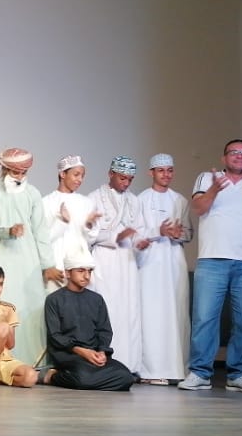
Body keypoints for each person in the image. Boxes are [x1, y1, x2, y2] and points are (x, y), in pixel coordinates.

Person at [180, 140, 242, 392]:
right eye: (234, 152)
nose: (239, 156)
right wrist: (215, 188)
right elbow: (198, 208)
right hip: (212, 259)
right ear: (224, 158)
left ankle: (238, 373)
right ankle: (200, 372)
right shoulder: (207, 178)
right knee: (205, 318)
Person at [0, 147, 63, 370]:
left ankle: (31, 363)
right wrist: (8, 231)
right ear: (5, 169)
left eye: (23, 172)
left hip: (28, 261)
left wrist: (48, 265)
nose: (19, 177)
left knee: (29, 309)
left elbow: (40, 231)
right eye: (15, 172)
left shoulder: (32, 193)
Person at [87, 156, 147, 376]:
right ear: (111, 173)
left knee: (129, 311)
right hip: (105, 260)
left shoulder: (135, 201)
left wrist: (140, 242)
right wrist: (115, 236)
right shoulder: (93, 198)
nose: (126, 183)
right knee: (108, 310)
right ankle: (103, 362)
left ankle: (129, 364)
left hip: (128, 262)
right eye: (122, 178)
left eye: (130, 179)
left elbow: (138, 230)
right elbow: (89, 234)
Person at [137, 153, 193, 384]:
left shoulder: (180, 200)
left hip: (174, 263)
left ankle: (177, 369)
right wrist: (157, 232)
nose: (166, 174)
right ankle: (149, 371)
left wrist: (177, 233)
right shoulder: (140, 199)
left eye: (169, 170)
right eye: (161, 170)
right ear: (151, 173)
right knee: (150, 314)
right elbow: (135, 234)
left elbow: (188, 233)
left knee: (176, 313)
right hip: (149, 264)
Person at [44, 253, 136, 391]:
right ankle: (52, 376)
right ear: (68, 273)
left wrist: (102, 352)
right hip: (69, 354)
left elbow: (104, 331)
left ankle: (85, 379)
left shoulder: (96, 299)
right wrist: (82, 351)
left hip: (93, 354)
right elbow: (55, 335)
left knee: (127, 377)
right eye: (81, 271)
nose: (86, 276)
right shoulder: (54, 299)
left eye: (89, 271)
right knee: (83, 378)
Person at [41, 155, 98, 294]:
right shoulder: (46, 202)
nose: (80, 180)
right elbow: (43, 239)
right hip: (56, 265)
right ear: (62, 174)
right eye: (76, 175)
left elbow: (90, 240)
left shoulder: (86, 203)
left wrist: (89, 225)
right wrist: (62, 222)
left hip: (80, 265)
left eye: (82, 176)